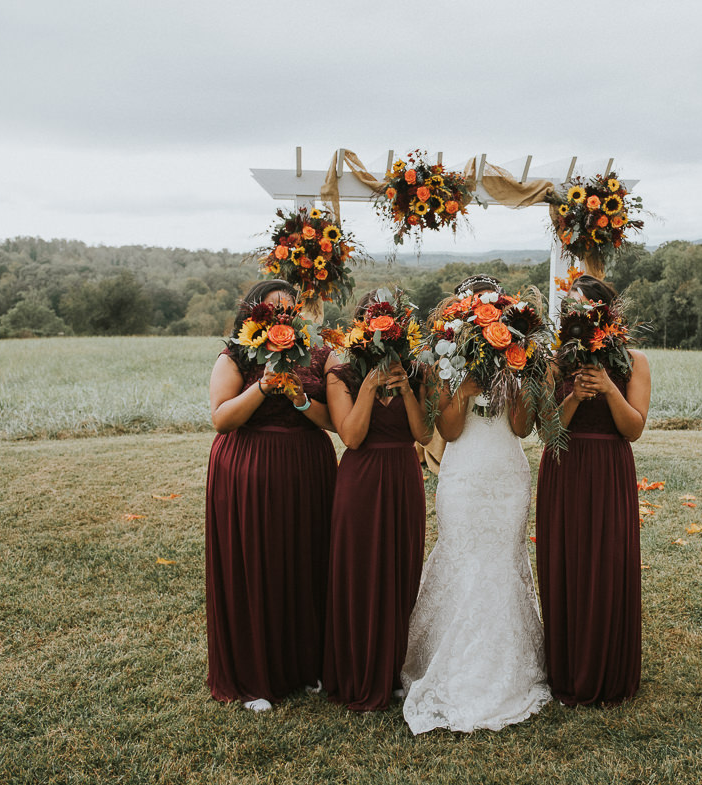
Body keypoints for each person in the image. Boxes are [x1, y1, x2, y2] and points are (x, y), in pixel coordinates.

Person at [400, 274, 551, 734]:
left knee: (502, 561)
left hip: (506, 472)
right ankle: (446, 664)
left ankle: (505, 669)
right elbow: (447, 432)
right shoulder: (447, 359)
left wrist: (519, 378)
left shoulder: (519, 359)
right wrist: (461, 392)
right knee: (463, 557)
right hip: (463, 472)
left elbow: (523, 428)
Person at [205, 280, 336, 712]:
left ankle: (306, 665)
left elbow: (336, 421)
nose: (283, 315)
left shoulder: (319, 354)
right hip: (250, 467)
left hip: (308, 469)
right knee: (257, 564)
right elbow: (222, 420)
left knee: (306, 561)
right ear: (253, 315)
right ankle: (255, 677)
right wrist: (261, 387)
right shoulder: (235, 356)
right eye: (273, 309)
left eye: (290, 309)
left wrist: (300, 399)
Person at [535, 275, 651, 705]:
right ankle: (567, 667)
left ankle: (608, 669)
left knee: (607, 563)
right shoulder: (554, 362)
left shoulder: (634, 362)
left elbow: (634, 428)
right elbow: (546, 432)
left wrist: (607, 389)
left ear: (605, 314)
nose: (574, 317)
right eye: (569, 310)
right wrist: (575, 399)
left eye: (582, 310)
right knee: (566, 562)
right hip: (564, 470)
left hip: (609, 472)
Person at [322, 291, 431, 711]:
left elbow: (423, 435)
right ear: (361, 332)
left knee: (401, 570)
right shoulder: (342, 374)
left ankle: (393, 671)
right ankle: (357, 671)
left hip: (404, 476)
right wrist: (369, 386)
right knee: (359, 571)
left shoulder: (418, 371)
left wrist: (405, 389)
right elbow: (350, 436)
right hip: (361, 479)